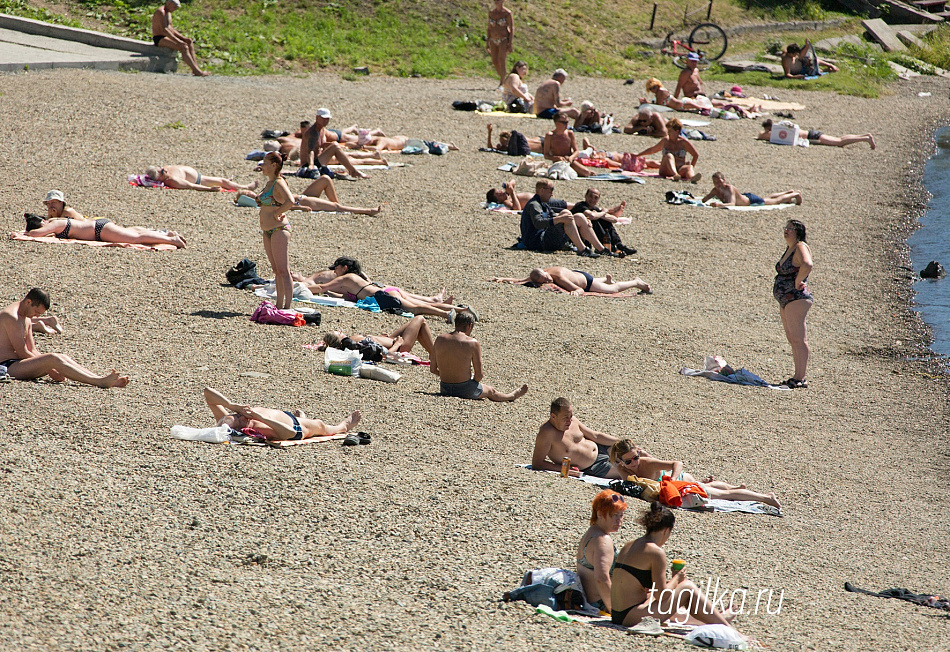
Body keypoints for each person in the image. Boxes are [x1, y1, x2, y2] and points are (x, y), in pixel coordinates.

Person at [611, 502, 737, 627]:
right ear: (666, 531)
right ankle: (729, 630)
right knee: (687, 587)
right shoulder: (656, 552)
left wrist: (673, 582)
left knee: (677, 594)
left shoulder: (630, 545)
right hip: (631, 616)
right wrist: (677, 578)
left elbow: (643, 587)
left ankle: (718, 619)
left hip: (617, 613)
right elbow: (661, 595)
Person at [0, 288, 130, 388]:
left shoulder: (25, 316)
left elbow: (31, 349)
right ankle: (99, 382)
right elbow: (22, 352)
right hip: (7, 365)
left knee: (60, 356)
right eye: (36, 312)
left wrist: (51, 366)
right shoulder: (11, 317)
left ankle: (100, 378)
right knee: (52, 359)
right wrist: (49, 368)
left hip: (18, 363)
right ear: (28, 302)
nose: (36, 316)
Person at [608, 440, 781, 509]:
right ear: (620, 461)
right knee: (710, 488)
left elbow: (677, 463)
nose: (635, 463)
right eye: (629, 461)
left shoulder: (648, 463)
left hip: (681, 482)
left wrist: (673, 480)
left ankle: (765, 497)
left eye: (636, 457)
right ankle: (734, 487)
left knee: (724, 495)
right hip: (677, 485)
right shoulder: (623, 468)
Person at [304, 259, 463, 320]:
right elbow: (345, 296)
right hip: (384, 292)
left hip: (381, 296)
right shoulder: (357, 276)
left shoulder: (345, 278)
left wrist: (300, 288)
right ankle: (459, 309)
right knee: (419, 304)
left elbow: (321, 287)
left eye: (336, 268)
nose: (334, 271)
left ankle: (446, 314)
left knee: (415, 309)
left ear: (344, 268)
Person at [23, 190, 187, 248]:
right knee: (133, 233)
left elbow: (37, 234)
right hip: (99, 227)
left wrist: (26, 234)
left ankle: (172, 240)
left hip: (99, 230)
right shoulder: (53, 220)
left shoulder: (56, 221)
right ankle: (166, 235)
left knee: (137, 238)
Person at [430, 310, 527, 401]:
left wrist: (450, 376)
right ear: (470, 326)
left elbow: (433, 369)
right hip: (465, 390)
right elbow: (479, 375)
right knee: (491, 390)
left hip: (444, 388)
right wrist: (470, 379)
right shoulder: (472, 343)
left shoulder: (439, 339)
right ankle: (512, 396)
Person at [257, 152, 312, 309]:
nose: (262, 165)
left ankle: (287, 306)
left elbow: (290, 201)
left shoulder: (279, 182)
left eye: (265, 163)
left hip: (279, 228)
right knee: (276, 270)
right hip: (268, 230)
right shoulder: (269, 183)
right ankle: (279, 304)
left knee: (283, 270)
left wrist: (277, 212)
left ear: (274, 165)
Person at [202, 387, 360, 442]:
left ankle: (303, 418)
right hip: (296, 427)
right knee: (321, 425)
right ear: (242, 427)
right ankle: (343, 426)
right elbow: (289, 433)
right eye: (239, 418)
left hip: (284, 416)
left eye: (235, 414)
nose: (240, 415)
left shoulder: (226, 420)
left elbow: (208, 392)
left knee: (303, 419)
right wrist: (260, 418)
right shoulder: (257, 428)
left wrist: (231, 405)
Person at [519, 179, 615, 257]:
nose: (552, 194)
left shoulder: (543, 204)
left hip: (545, 238)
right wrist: (560, 219)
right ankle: (582, 249)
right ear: (542, 190)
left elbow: (553, 216)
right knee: (566, 213)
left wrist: (582, 220)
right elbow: (538, 223)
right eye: (551, 190)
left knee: (579, 216)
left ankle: (601, 249)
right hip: (538, 242)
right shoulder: (534, 204)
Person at [531, 397, 618, 478]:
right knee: (628, 472)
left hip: (602, 448)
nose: (569, 420)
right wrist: (565, 469)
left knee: (629, 452)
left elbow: (595, 436)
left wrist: (620, 441)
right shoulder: (547, 433)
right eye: (565, 418)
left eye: (571, 416)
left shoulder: (573, 421)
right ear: (553, 416)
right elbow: (537, 463)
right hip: (594, 467)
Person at [774, 219, 813, 388]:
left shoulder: (800, 246)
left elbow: (807, 264)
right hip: (786, 299)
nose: (787, 230)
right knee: (792, 338)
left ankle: (800, 378)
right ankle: (796, 376)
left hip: (796, 297)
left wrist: (798, 280)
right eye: (786, 227)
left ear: (798, 232)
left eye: (791, 228)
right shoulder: (790, 249)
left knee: (799, 338)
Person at [577, 490, 627, 612]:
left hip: (590, 600)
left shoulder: (591, 533)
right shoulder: (603, 540)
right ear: (600, 514)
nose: (619, 521)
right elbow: (601, 579)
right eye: (615, 515)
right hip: (602, 603)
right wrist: (615, 611)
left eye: (621, 515)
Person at [239, 175, 381, 216]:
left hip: (302, 196)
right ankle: (367, 211)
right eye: (247, 194)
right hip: (302, 201)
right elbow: (283, 206)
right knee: (337, 207)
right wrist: (300, 208)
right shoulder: (264, 201)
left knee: (325, 179)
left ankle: (338, 208)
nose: (250, 192)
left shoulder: (264, 193)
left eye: (247, 191)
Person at [298, 108, 371, 179]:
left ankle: (353, 170)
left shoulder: (322, 129)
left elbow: (322, 144)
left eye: (327, 119)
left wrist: (346, 145)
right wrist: (311, 165)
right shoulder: (313, 132)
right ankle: (353, 171)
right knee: (335, 146)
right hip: (308, 164)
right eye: (323, 118)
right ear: (317, 118)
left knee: (336, 146)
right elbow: (310, 151)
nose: (326, 121)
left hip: (318, 160)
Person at [321, 315, 435, 358]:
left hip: (391, 339)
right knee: (420, 319)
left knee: (414, 324)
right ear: (339, 341)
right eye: (339, 333)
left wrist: (379, 337)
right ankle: (436, 355)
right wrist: (398, 344)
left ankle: (433, 354)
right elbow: (384, 355)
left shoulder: (352, 340)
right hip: (399, 347)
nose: (341, 331)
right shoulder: (352, 345)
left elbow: (373, 344)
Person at [570, 187, 637, 256]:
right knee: (595, 221)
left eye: (595, 198)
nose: (592, 199)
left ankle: (618, 245)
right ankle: (604, 247)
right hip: (574, 235)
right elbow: (591, 216)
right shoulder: (580, 205)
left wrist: (601, 214)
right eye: (590, 196)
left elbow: (614, 220)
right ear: (585, 196)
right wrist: (603, 212)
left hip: (585, 234)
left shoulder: (594, 209)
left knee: (605, 221)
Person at [492, 267, 651, 296]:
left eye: (547, 277)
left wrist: (575, 292)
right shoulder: (541, 273)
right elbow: (521, 280)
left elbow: (579, 289)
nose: (548, 279)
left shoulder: (557, 277)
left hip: (585, 281)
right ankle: (605, 279)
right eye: (544, 280)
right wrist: (503, 279)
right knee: (603, 283)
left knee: (613, 290)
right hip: (577, 274)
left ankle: (636, 282)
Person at [151, 0, 208, 76]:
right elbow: (164, 30)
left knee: (189, 42)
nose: (175, 9)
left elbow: (171, 29)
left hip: (167, 36)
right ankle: (196, 70)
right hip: (159, 38)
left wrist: (183, 38)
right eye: (174, 7)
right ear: (169, 4)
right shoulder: (161, 12)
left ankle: (196, 68)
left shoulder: (168, 13)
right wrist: (178, 41)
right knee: (183, 47)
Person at [635, 118, 701, 183]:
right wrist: (638, 155)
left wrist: (692, 166)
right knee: (669, 156)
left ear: (677, 131)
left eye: (670, 131)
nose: (668, 133)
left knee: (689, 167)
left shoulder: (684, 142)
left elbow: (695, 155)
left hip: (679, 168)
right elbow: (653, 149)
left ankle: (692, 178)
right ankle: (675, 175)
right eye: (668, 130)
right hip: (665, 169)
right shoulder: (665, 141)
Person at [702, 172, 802, 207]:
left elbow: (732, 204)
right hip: (745, 197)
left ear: (724, 180)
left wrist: (719, 205)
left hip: (750, 201)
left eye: (719, 182)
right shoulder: (715, 190)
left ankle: (795, 194)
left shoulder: (730, 188)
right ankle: (788, 192)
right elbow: (704, 199)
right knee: (767, 198)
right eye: (715, 182)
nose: (717, 184)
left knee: (775, 201)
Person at [758, 119, 875, 149]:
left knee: (839, 142)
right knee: (839, 139)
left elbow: (761, 136)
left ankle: (865, 138)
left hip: (813, 136)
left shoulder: (777, 131)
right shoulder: (782, 126)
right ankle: (864, 136)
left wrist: (765, 133)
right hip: (812, 133)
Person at [544, 113, 598, 178]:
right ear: (557, 123)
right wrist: (556, 158)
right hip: (558, 162)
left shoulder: (570, 133)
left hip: (570, 160)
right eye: (564, 122)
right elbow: (546, 155)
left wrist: (571, 158)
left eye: (567, 122)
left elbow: (576, 151)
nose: (566, 124)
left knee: (586, 173)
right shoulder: (550, 136)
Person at [144, 165, 257, 192]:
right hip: (199, 180)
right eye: (162, 171)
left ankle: (239, 186)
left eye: (161, 168)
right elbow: (191, 186)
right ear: (160, 179)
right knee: (223, 181)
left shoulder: (165, 171)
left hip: (198, 176)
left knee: (223, 180)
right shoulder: (173, 180)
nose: (165, 169)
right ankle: (245, 188)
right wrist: (209, 189)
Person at [639, 78, 710, 113]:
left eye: (654, 87)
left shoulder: (660, 92)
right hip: (681, 104)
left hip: (682, 104)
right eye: (650, 89)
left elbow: (659, 105)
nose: (653, 90)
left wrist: (647, 103)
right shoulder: (659, 92)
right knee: (702, 107)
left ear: (658, 85)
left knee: (702, 108)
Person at [487, 0, 514, 86]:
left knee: (501, 59)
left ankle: (502, 82)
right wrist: (487, 41)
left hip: (503, 39)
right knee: (495, 60)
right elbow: (489, 27)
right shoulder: (491, 13)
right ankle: (504, 77)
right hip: (493, 39)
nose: (496, 2)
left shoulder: (507, 13)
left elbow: (511, 28)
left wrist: (510, 43)